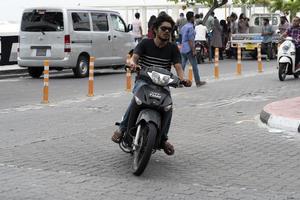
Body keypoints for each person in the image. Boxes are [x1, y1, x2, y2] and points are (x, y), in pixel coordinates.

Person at [111, 14, 192, 155]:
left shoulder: (173, 48)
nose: (167, 31)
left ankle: (163, 139)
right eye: (164, 28)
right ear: (155, 29)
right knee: (136, 100)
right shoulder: (145, 43)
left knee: (168, 107)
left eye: (170, 29)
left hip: (163, 84)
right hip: (143, 81)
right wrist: (132, 64)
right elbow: (134, 58)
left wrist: (182, 79)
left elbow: (178, 67)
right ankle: (122, 128)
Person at [181, 11, 206, 87]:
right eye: (194, 17)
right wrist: (194, 50)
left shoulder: (184, 27)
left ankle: (179, 81)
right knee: (194, 66)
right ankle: (198, 82)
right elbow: (191, 40)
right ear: (192, 18)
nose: (194, 18)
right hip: (189, 49)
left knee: (182, 66)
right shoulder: (191, 27)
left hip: (183, 48)